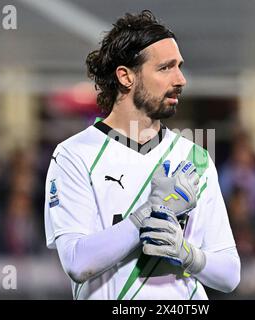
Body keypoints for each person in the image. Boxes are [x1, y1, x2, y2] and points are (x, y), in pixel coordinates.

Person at [44, 10, 240, 300]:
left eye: (180, 67)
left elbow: (230, 275)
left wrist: (187, 254)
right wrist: (148, 214)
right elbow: (76, 262)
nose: (181, 79)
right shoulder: (74, 155)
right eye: (165, 68)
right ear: (125, 77)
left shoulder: (195, 157)